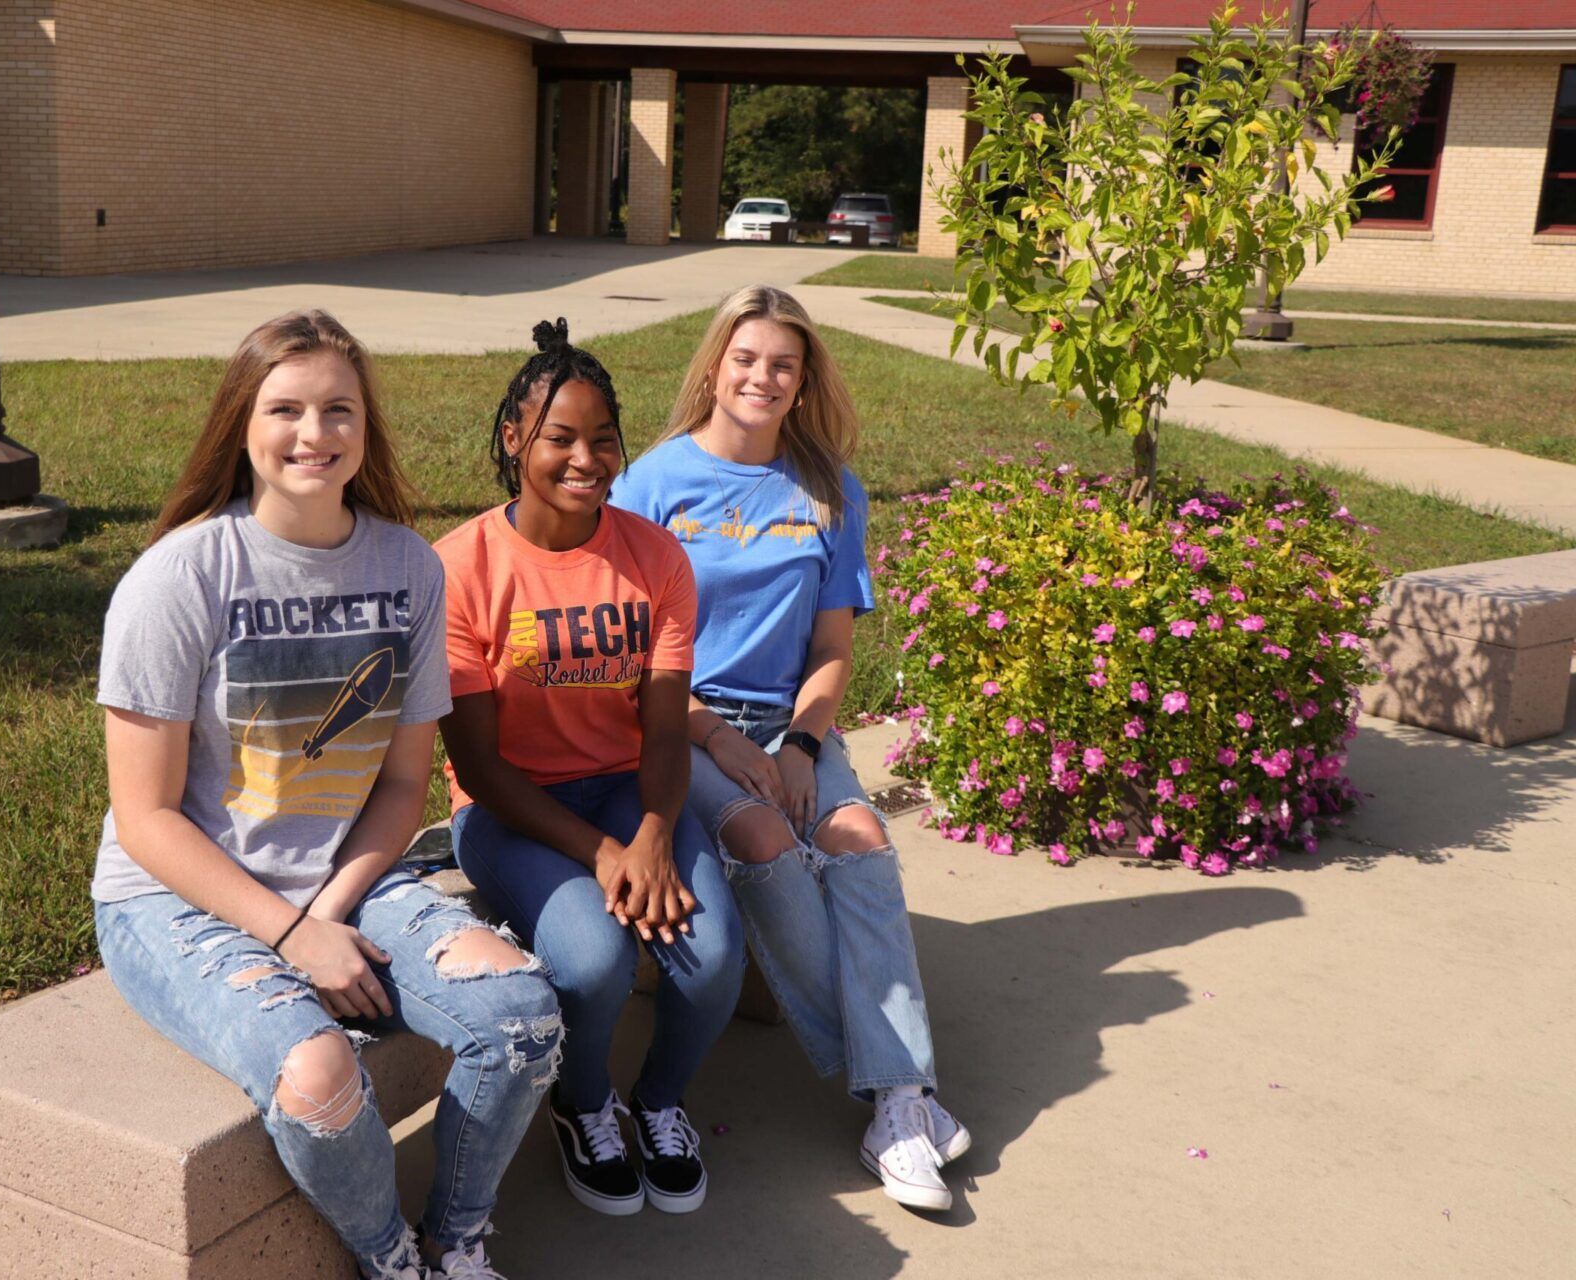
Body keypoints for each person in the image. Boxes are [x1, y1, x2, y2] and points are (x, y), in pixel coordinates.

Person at [91, 311, 557, 1280]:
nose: (315, 432)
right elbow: (145, 818)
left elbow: (400, 782)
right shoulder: (179, 576)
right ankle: (391, 1256)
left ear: (365, 426)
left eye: (337, 408)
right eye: (287, 408)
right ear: (242, 424)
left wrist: (331, 908)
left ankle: (456, 1238)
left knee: (519, 1017)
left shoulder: (406, 568)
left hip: (346, 872)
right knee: (317, 1075)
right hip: (173, 896)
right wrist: (289, 933)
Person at [609, 285, 972, 1212]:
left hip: (789, 719)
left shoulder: (828, 487)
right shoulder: (651, 485)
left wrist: (805, 745)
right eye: (746, 359)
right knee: (767, 840)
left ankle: (899, 1102)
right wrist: (714, 734)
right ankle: (899, 1086)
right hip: (674, 715)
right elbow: (629, 650)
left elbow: (832, 649)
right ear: (715, 365)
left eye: (783, 363)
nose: (762, 377)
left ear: (804, 379)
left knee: (860, 839)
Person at [438, 319, 744, 1219]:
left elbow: (660, 732)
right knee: (593, 959)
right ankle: (583, 1107)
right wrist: (603, 854)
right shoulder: (460, 568)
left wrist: (650, 835)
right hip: (510, 810)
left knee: (713, 954)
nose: (586, 458)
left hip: (628, 789)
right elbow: (481, 768)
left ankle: (656, 1105)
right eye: (560, 437)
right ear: (513, 439)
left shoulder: (654, 558)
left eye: (602, 439)